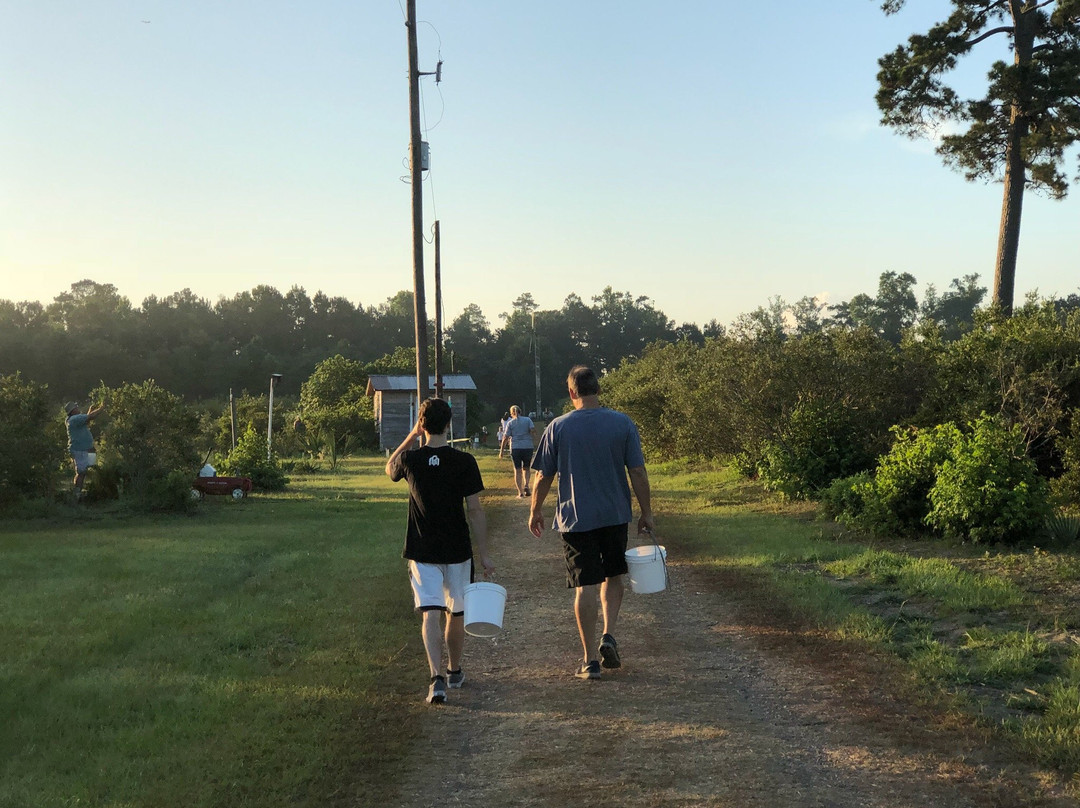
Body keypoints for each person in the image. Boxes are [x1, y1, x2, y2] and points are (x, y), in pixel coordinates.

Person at [528, 366, 654, 681]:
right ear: (598, 389)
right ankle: (608, 634)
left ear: (572, 392)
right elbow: (637, 471)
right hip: (614, 514)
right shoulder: (622, 423)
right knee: (613, 575)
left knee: (585, 585)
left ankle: (589, 661)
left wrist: (535, 510)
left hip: (575, 518)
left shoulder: (558, 427)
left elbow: (543, 475)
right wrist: (647, 512)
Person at [385, 397, 495, 705]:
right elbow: (475, 510)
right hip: (457, 549)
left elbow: (389, 468)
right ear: (449, 424)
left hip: (422, 550)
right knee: (455, 612)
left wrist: (411, 436)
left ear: (422, 425)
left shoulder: (410, 460)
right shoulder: (465, 461)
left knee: (430, 613)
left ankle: (436, 680)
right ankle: (454, 670)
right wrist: (484, 554)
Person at [64, 401, 105, 498]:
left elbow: (86, 420)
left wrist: (90, 410)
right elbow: (91, 417)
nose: (78, 408)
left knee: (88, 469)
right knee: (81, 472)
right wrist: (102, 408)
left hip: (85, 449)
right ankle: (77, 494)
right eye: (76, 407)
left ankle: (84, 491)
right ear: (72, 410)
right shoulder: (74, 419)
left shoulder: (73, 419)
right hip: (80, 450)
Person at [499, 405, 537, 498]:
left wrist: (502, 451)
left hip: (516, 447)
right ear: (520, 411)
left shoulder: (510, 423)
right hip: (527, 446)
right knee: (526, 468)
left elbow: (505, 437)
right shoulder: (528, 420)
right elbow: (533, 431)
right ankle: (526, 485)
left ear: (511, 413)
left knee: (517, 470)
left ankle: (520, 492)